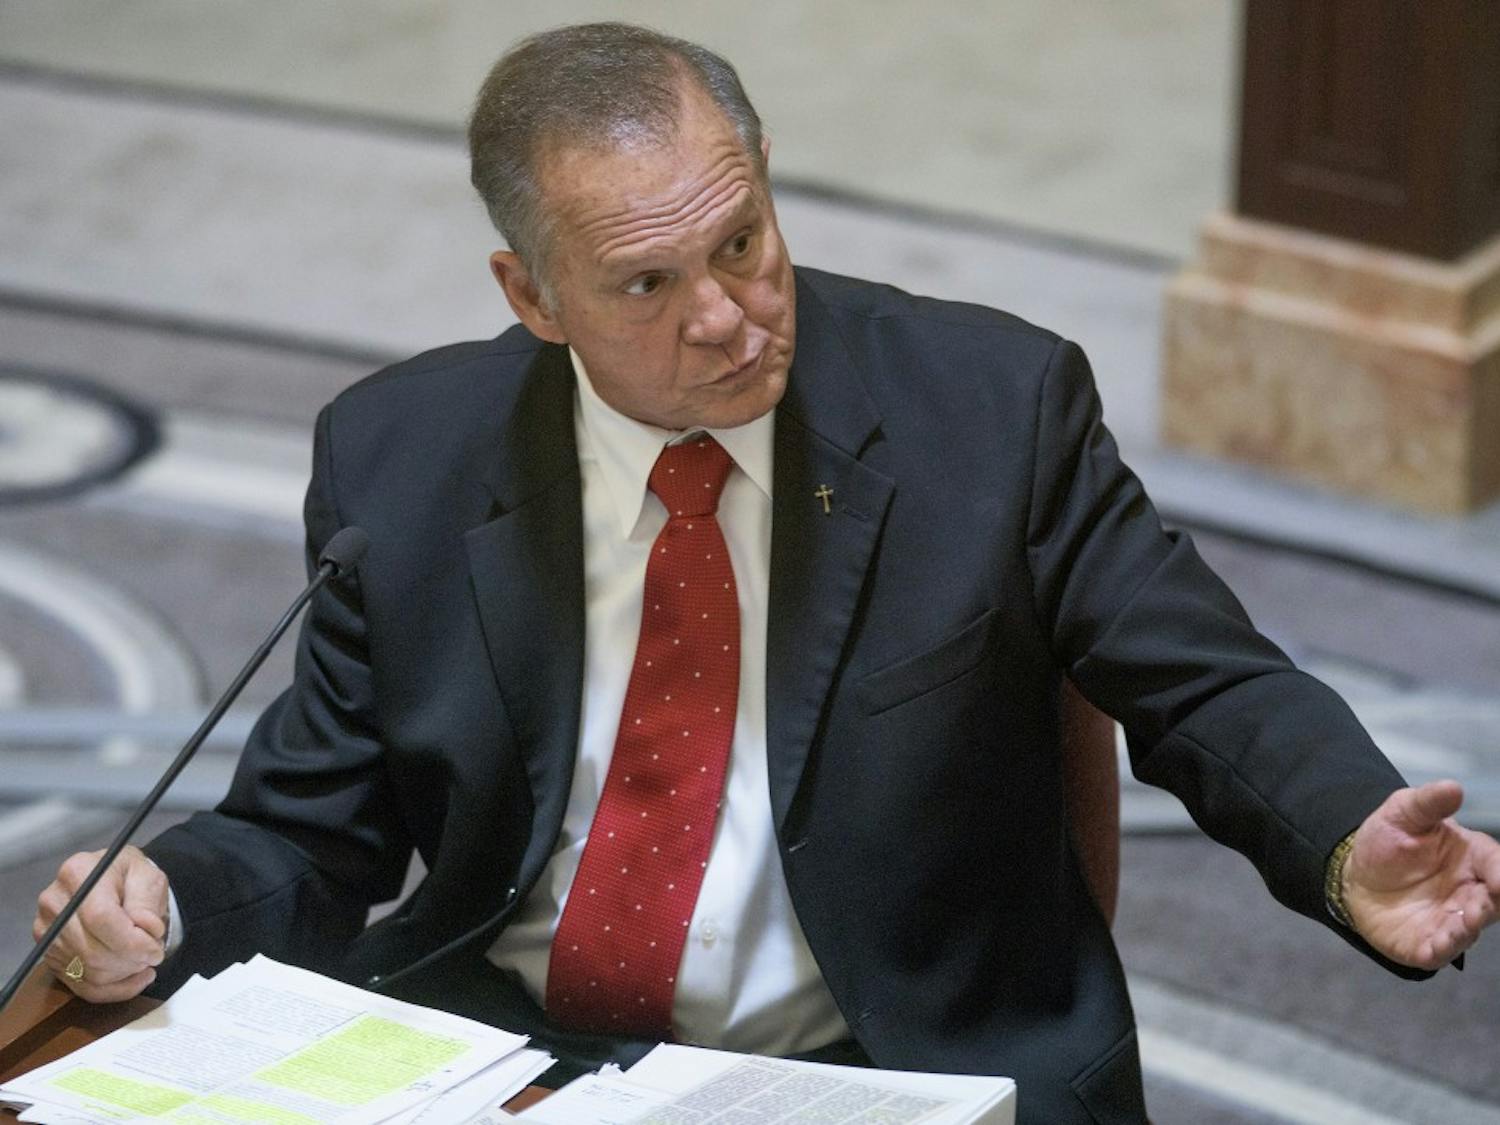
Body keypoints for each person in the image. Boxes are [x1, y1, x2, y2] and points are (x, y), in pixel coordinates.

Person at [33, 22, 1500, 1124]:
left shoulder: (987, 410)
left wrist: (1339, 832)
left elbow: (1203, 677)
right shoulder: (399, 459)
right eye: (650, 287)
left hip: (883, 1062)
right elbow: (310, 832)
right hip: (510, 1053)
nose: (732, 317)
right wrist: (164, 896)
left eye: (747, 241)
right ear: (531, 296)